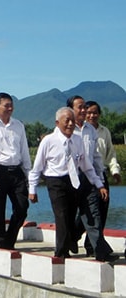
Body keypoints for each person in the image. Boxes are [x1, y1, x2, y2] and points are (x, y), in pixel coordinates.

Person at [28, 107, 116, 261]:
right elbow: (37, 168)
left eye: (72, 121)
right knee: (61, 216)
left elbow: (87, 166)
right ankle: (61, 253)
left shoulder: (77, 140)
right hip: (55, 181)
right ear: (57, 123)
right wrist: (32, 189)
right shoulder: (48, 141)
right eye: (66, 121)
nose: (70, 124)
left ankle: (97, 250)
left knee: (78, 216)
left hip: (74, 180)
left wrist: (99, 184)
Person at [67, 96, 117, 262]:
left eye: (87, 110)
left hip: (90, 177)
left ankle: (99, 250)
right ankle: (70, 239)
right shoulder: (66, 129)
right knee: (71, 215)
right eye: (81, 109)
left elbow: (96, 157)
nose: (85, 113)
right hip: (69, 179)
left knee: (94, 214)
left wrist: (100, 180)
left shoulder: (91, 131)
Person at [0, 92, 32, 250]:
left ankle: (9, 240)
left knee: (22, 207)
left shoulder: (18, 125)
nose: (10, 108)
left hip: (16, 171)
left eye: (11, 105)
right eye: (6, 105)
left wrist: (29, 174)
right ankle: (2, 244)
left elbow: (24, 152)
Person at [85, 101, 122, 235]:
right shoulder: (80, 131)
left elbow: (111, 153)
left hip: (101, 174)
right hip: (86, 175)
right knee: (89, 210)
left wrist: (115, 171)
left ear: (99, 114)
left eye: (95, 112)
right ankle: (74, 237)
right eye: (88, 112)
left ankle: (93, 245)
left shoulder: (104, 131)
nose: (91, 115)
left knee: (102, 208)